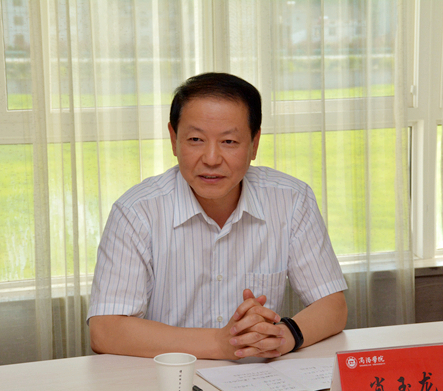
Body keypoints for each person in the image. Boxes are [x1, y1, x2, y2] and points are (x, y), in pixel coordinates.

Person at [87, 72, 347, 360]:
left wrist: (282, 336)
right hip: (174, 377)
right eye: (196, 139)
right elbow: (105, 330)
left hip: (258, 375)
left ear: (254, 143)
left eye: (229, 141)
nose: (211, 159)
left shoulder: (292, 199)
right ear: (174, 139)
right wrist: (221, 343)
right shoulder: (136, 211)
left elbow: (332, 306)